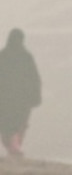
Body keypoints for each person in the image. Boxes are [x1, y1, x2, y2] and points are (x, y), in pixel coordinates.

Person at [0, 29, 42, 158]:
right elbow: (35, 78)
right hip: (21, 100)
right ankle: (15, 146)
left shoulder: (3, 55)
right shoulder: (26, 56)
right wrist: (35, 96)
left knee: (7, 125)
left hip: (6, 99)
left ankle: (12, 147)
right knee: (19, 124)